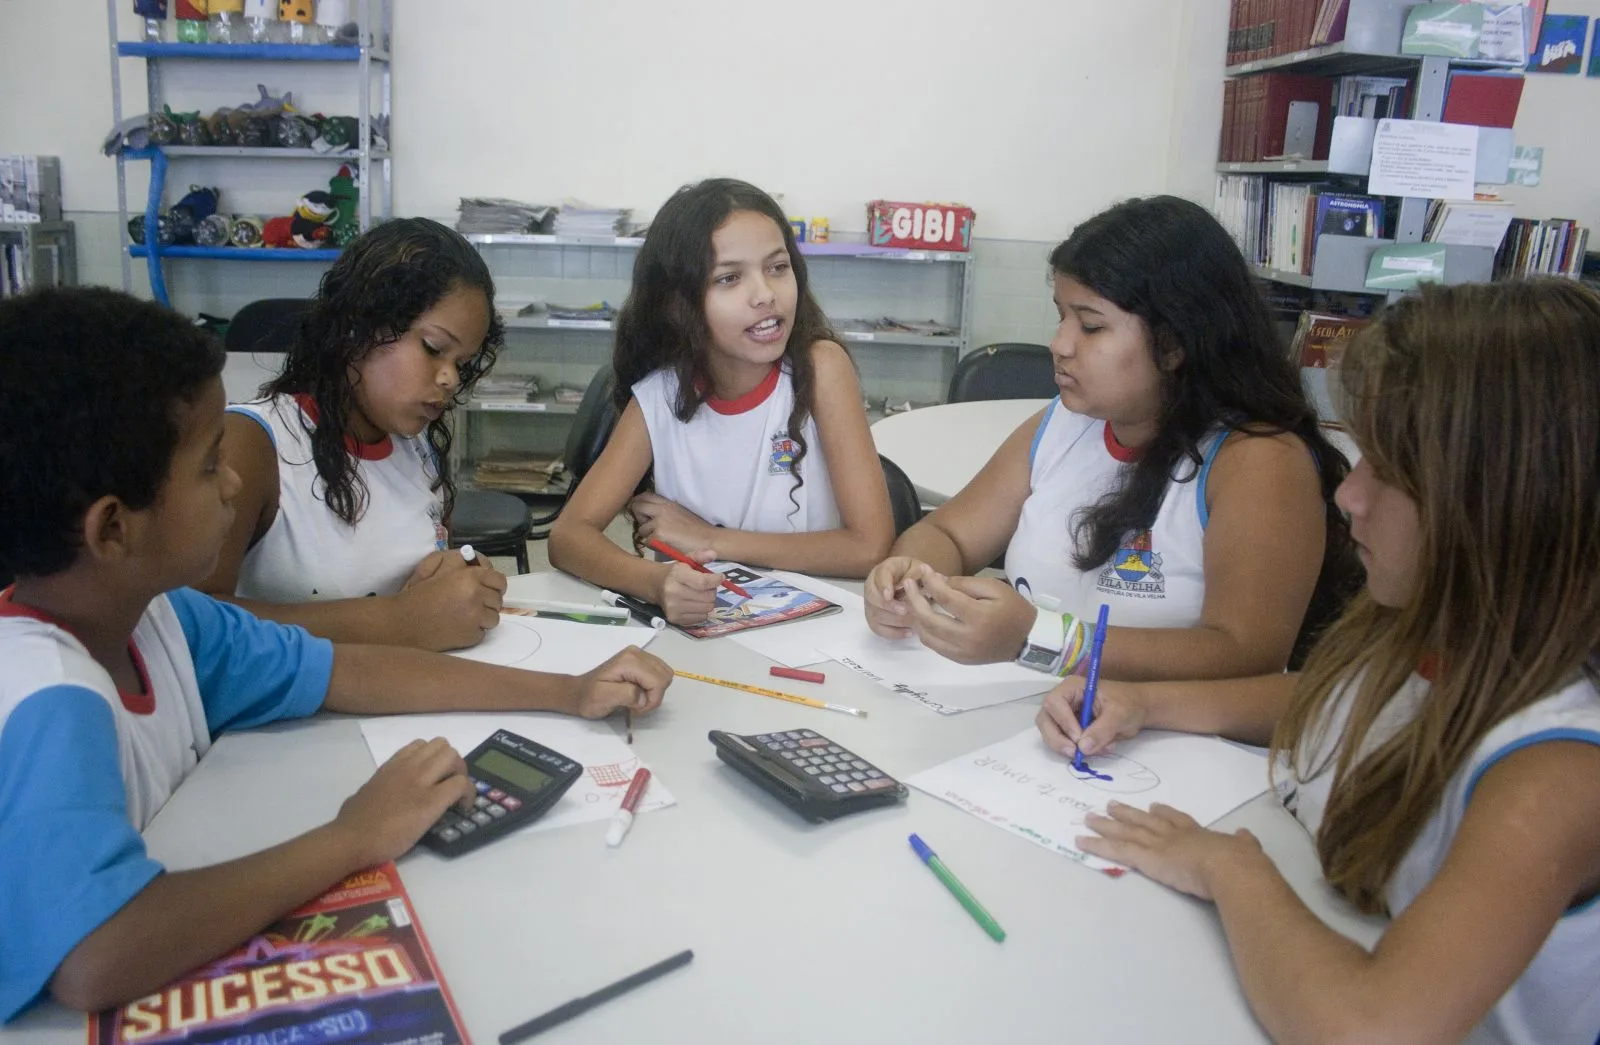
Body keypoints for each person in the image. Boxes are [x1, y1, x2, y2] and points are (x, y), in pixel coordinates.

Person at [0, 287, 672, 1021]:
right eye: (207, 466)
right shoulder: (48, 693)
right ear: (112, 529)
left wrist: (566, 690)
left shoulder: (166, 619)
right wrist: (354, 836)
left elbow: (343, 667)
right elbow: (97, 956)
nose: (232, 484)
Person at [1042, 279, 1600, 1044]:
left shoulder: (1556, 775)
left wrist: (1228, 869)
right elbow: (1335, 698)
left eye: (1390, 469)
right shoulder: (1432, 631)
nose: (1348, 496)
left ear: (1502, 502)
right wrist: (1149, 702)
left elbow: (1363, 1027)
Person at [865, 195, 1360, 682]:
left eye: (1092, 325)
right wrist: (910, 575)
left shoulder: (1259, 462)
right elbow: (948, 533)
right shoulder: (1065, 422)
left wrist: (1039, 640)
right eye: (1061, 316)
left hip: (1163, 746)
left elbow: (1245, 652)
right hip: (1038, 721)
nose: (1059, 344)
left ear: (1174, 343)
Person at [549, 178, 893, 625]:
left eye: (778, 267)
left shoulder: (820, 369)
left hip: (815, 636)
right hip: (705, 637)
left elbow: (870, 547)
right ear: (678, 305)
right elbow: (567, 537)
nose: (765, 294)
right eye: (729, 278)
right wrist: (652, 583)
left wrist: (711, 539)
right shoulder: (658, 397)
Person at [198, 217, 509, 652]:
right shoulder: (253, 445)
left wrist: (452, 581)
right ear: (358, 325)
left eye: (462, 363)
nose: (449, 378)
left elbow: (416, 583)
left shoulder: (419, 447)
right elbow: (189, 621)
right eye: (435, 348)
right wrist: (396, 620)